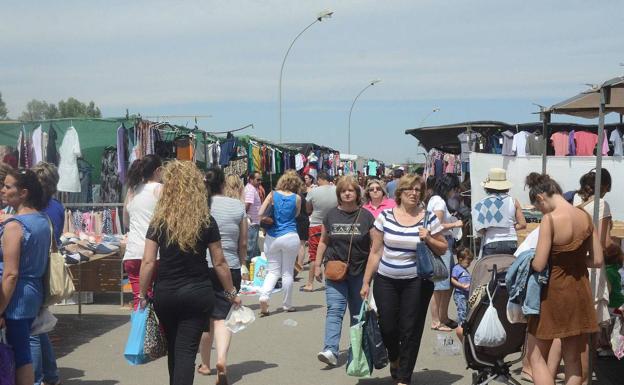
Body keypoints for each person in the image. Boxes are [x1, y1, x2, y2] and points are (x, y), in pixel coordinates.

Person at [138, 161, 241, 385]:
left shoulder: (159, 222)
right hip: (197, 294)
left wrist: (142, 294)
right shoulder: (205, 221)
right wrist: (231, 292)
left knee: (176, 349)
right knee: (185, 350)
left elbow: (148, 261)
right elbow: (220, 262)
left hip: (166, 294)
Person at [360, 174, 448, 385]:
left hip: (417, 282)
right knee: (388, 326)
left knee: (410, 329)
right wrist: (366, 282)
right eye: (410, 189)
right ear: (399, 192)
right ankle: (395, 357)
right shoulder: (386, 216)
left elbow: (443, 247)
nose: (414, 193)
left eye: (418, 190)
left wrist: (428, 237)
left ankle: (404, 377)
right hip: (386, 280)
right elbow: (375, 251)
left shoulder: (429, 218)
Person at [524, 172, 602, 385]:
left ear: (541, 198)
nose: (541, 212)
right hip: (580, 292)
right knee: (573, 360)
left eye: (539, 208)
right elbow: (597, 261)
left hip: (554, 294)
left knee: (536, 357)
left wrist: (527, 261)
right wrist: (575, 261)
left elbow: (539, 264)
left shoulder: (550, 219)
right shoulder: (585, 216)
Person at [314, 176, 375, 367]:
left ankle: (356, 350)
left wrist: (374, 271)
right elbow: (324, 241)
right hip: (335, 271)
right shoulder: (331, 215)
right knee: (335, 310)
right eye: (343, 191)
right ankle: (331, 350)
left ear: (357, 194)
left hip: (359, 273)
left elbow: (375, 246)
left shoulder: (366, 217)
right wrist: (317, 264)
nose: (347, 193)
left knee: (357, 313)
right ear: (339, 194)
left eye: (351, 190)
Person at [0, 168, 51, 385]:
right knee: (23, 351)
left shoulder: (15, 226)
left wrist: (0, 307)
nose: (3, 190)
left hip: (15, 296)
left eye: (8, 186)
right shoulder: (41, 220)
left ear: (23, 193)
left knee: (20, 352)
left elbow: (11, 273)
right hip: (32, 292)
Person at [198, 168, 248, 378]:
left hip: (203, 268)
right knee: (223, 318)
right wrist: (243, 262)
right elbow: (243, 241)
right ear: (223, 185)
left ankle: (205, 364)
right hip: (230, 269)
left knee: (205, 320)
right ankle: (222, 360)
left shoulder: (200, 206)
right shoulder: (237, 205)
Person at [31, 163, 64, 385]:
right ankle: (50, 375)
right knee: (40, 326)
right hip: (46, 271)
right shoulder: (57, 207)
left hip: (33, 272)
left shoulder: (34, 210)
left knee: (31, 331)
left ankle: (37, 379)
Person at [257, 170, 302, 315]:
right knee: (287, 272)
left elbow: (260, 213)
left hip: (272, 237)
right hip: (290, 235)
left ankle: (264, 296)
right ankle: (287, 305)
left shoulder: (272, 195)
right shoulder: (297, 198)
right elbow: (296, 214)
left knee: (272, 271)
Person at [123, 155, 162, 309]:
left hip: (132, 254)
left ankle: (140, 332)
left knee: (140, 303)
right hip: (155, 254)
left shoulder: (132, 190)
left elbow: (126, 221)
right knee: (157, 304)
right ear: (158, 170)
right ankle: (154, 333)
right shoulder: (160, 189)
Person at [427, 174, 463, 331]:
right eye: (455, 189)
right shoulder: (439, 202)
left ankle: (443, 317)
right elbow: (438, 225)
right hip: (441, 245)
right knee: (440, 284)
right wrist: (456, 223)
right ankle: (436, 321)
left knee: (446, 283)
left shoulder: (436, 200)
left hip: (443, 244)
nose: (455, 192)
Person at [473, 168, 526, 257]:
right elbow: (523, 224)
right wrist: (510, 227)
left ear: (487, 187)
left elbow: (480, 229)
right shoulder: (513, 201)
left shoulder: (481, 203)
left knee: (490, 269)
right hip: (511, 242)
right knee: (509, 269)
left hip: (491, 242)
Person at [303, 172, 337, 292]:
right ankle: (333, 281)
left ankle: (310, 284)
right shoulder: (337, 190)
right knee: (332, 254)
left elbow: (308, 209)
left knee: (313, 254)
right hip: (333, 224)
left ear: (320, 179)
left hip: (316, 224)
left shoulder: (313, 192)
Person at [451, 247, 474, 341]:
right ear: (460, 259)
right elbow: (452, 279)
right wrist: (461, 285)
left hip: (466, 294)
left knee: (466, 310)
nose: (469, 264)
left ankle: (464, 324)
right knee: (462, 311)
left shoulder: (464, 269)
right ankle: (461, 328)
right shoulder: (457, 268)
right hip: (460, 294)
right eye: (468, 262)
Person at [244, 171, 262, 264]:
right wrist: (246, 217)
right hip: (252, 223)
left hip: (254, 222)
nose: (260, 182)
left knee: (255, 249)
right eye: (257, 180)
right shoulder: (251, 189)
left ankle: (256, 271)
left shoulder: (252, 188)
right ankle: (246, 270)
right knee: (250, 249)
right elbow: (247, 205)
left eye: (260, 180)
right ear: (251, 180)